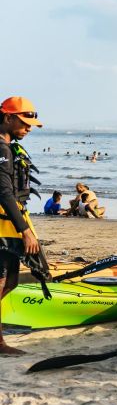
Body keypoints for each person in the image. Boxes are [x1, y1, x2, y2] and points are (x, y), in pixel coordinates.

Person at [0, 97, 46, 355]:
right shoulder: (2, 150)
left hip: (9, 224)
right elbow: (5, 193)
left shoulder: (8, 146)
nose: (29, 127)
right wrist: (25, 230)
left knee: (12, 282)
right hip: (4, 228)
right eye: (24, 121)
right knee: (3, 282)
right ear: (8, 118)